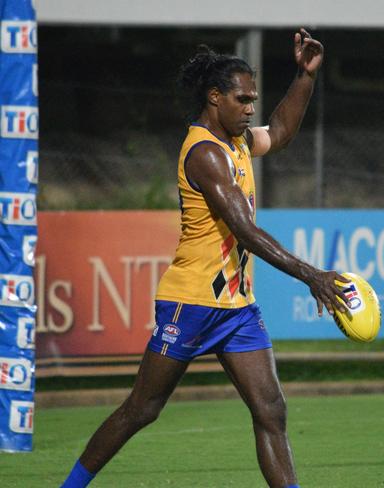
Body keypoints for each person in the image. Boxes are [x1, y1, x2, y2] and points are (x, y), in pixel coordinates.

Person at [61, 29, 349, 488]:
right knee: (143, 409)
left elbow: (280, 132)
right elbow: (245, 231)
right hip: (190, 303)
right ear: (215, 98)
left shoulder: (236, 140)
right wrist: (311, 274)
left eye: (254, 98)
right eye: (242, 99)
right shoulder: (204, 154)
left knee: (270, 410)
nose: (251, 108)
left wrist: (304, 77)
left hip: (236, 308)